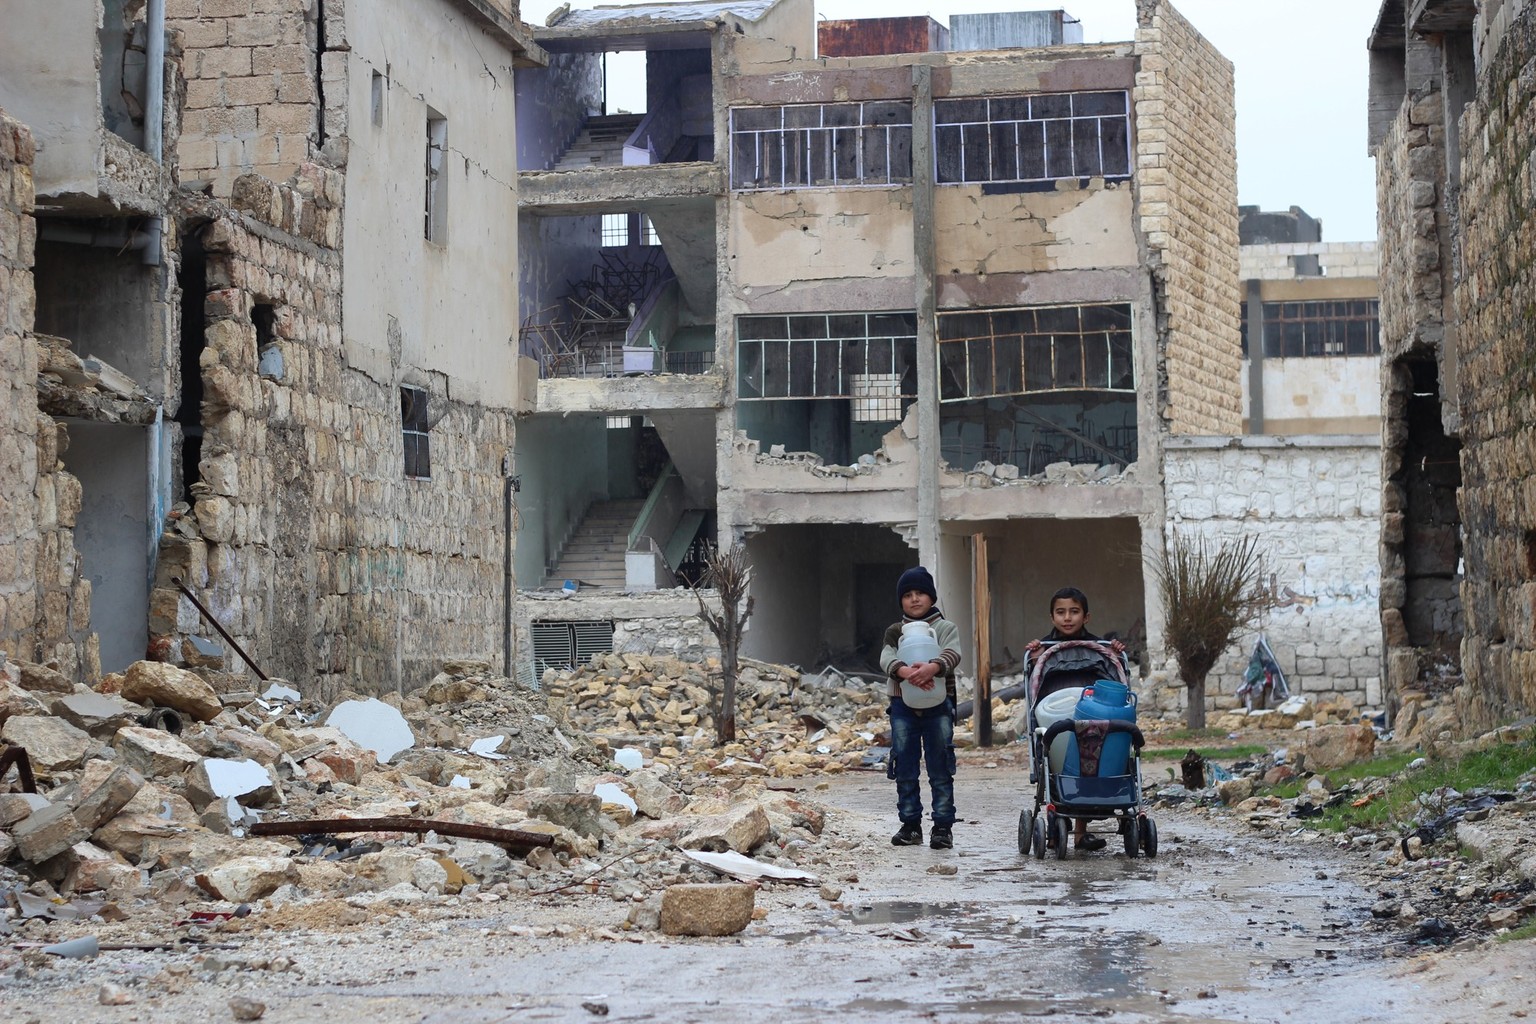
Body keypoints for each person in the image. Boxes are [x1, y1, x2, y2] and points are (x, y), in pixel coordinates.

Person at [1024, 586, 1126, 851]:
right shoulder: (1045, 650)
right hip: (1055, 722)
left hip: (1092, 722)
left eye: (1074, 612)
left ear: (1086, 617)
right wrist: (1035, 660)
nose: (1067, 618)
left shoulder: (1099, 650)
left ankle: (1081, 833)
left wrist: (1114, 653)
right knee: (1057, 765)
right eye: (1060, 613)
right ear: (1052, 617)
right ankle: (1058, 823)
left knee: (1088, 768)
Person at [878, 566, 963, 850]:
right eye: (908, 595)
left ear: (932, 597)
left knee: (940, 766)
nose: (914, 599)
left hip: (939, 706)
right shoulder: (894, 631)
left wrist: (933, 668)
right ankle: (911, 824)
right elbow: (886, 657)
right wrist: (905, 672)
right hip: (903, 706)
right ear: (901, 600)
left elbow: (953, 652)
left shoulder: (944, 627)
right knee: (905, 765)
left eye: (921, 593)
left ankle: (942, 827)